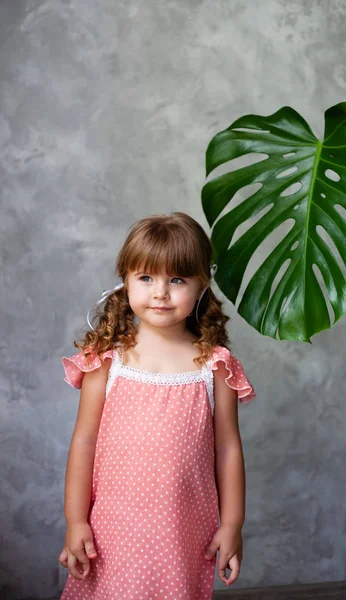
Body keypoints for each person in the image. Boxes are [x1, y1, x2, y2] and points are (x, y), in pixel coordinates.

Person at [58, 211, 256, 600]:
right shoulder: (106, 362)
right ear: (126, 281)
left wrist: (232, 524)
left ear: (201, 285)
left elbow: (228, 449)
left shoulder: (215, 366)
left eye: (177, 279)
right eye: (146, 277)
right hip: (113, 529)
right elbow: (84, 442)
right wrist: (75, 520)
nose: (160, 292)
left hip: (183, 529)